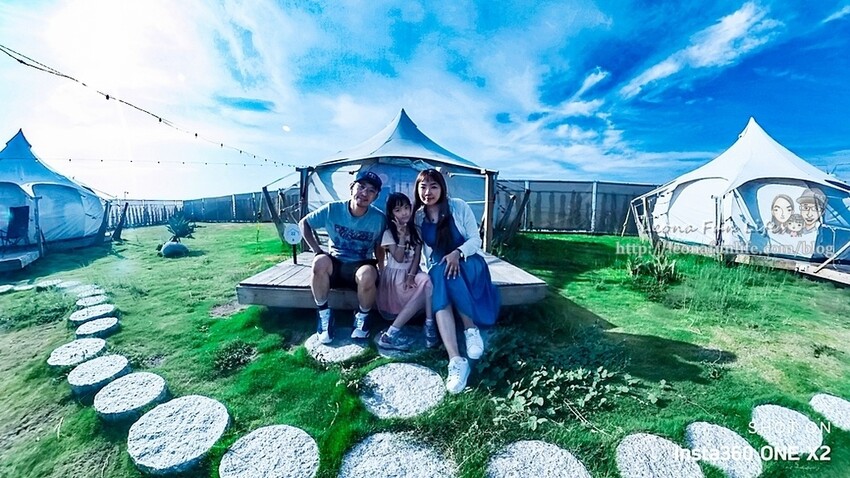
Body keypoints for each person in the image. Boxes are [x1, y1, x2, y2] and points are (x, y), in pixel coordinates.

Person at [413, 168, 500, 394]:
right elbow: (423, 251)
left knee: (445, 272)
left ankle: (470, 331)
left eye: (433, 186)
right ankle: (456, 359)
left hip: (469, 263)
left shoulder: (458, 206)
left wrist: (457, 253)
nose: (428, 192)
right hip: (440, 268)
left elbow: (475, 240)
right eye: (423, 187)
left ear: (442, 188)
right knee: (441, 273)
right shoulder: (418, 216)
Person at [298, 170, 386, 344]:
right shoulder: (332, 209)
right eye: (361, 187)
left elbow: (379, 247)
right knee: (319, 262)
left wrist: (382, 271)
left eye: (371, 190)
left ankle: (363, 318)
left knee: (368, 274)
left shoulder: (379, 218)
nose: (365, 193)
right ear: (352, 188)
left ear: (376, 197)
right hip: (335, 262)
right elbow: (304, 223)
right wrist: (317, 250)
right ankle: (324, 314)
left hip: (360, 264)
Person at [376, 192, 436, 350]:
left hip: (412, 272)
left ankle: (429, 324)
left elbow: (417, 256)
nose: (404, 213)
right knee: (425, 291)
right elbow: (399, 257)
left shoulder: (416, 230)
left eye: (406, 208)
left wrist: (411, 276)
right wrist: (402, 237)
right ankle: (391, 333)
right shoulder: (388, 234)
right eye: (398, 210)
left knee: (427, 281)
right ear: (391, 214)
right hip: (395, 277)